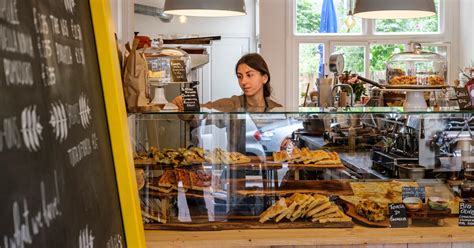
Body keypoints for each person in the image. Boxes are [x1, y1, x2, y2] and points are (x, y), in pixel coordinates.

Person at [173, 53, 282, 111]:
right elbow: (201, 112)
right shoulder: (232, 104)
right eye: (240, 76)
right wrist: (185, 103)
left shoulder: (277, 108)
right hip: (237, 154)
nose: (243, 81)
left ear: (264, 78)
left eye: (249, 75)